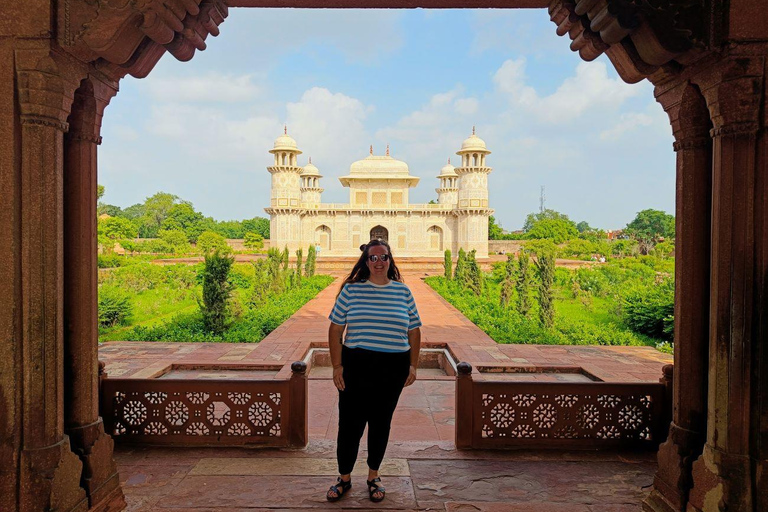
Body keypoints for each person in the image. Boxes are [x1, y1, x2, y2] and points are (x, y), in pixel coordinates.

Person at [325, 239, 422, 503]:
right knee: (350, 425)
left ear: (391, 261)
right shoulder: (351, 291)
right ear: (365, 261)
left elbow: (414, 330)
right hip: (357, 364)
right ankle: (344, 478)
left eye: (384, 258)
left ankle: (373, 476)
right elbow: (335, 329)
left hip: (393, 367)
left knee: (381, 423)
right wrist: (337, 366)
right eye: (373, 258)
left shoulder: (403, 292)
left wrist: (413, 364)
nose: (379, 263)